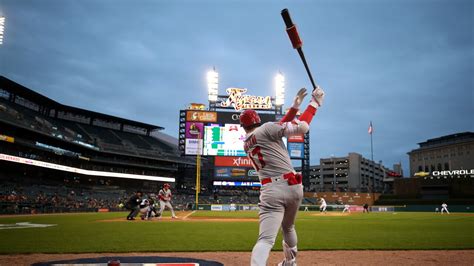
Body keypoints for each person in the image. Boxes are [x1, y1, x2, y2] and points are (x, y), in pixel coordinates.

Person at [240, 86, 325, 266]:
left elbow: (275, 129)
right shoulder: (267, 128)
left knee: (265, 240)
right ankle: (290, 263)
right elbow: (302, 127)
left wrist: (294, 109)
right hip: (294, 186)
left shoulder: (246, 144)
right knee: (289, 227)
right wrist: (314, 104)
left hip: (271, 189)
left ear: (243, 126)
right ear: (258, 120)